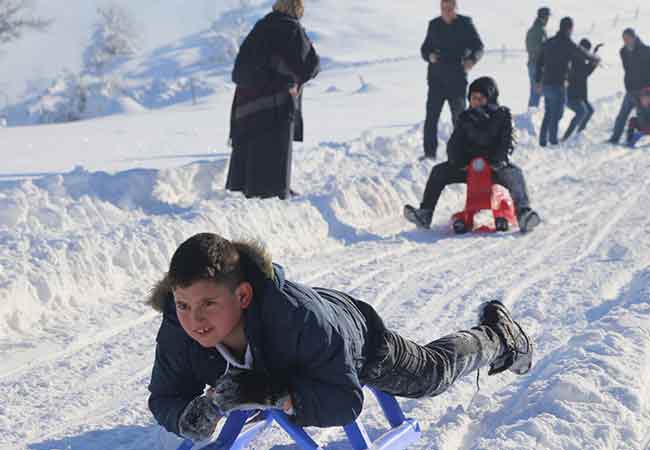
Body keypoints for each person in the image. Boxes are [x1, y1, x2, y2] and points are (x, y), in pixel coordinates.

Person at [147, 233, 533, 441]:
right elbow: (164, 395)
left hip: (355, 337)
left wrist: (274, 395)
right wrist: (185, 417)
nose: (194, 319)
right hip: (301, 346)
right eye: (183, 305)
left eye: (208, 304)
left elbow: (344, 401)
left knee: (431, 375)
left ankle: (499, 336)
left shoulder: (301, 321)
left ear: (243, 295)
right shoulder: (179, 326)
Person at [404, 77, 541, 233]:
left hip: (494, 165)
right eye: (473, 98)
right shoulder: (465, 118)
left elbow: (508, 141)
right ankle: (425, 213)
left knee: (515, 174)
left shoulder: (503, 115)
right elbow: (454, 143)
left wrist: (499, 160)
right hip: (469, 166)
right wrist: (457, 160)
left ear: (490, 98)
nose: (476, 102)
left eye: (481, 98)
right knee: (438, 172)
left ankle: (523, 213)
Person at [225, 0, 320, 200]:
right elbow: (309, 65)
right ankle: (275, 190)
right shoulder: (291, 30)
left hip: (246, 101)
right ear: (297, 8)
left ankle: (246, 187)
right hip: (275, 101)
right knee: (274, 146)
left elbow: (240, 68)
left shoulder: (261, 27)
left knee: (253, 144)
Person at [420, 0, 484, 160]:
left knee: (459, 119)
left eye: (450, 8)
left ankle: (461, 153)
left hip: (457, 80)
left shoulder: (465, 23)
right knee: (431, 118)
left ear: (456, 8)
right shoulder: (434, 25)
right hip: (436, 80)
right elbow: (424, 48)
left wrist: (472, 60)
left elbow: (479, 46)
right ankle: (429, 153)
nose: (446, 12)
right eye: (443, 9)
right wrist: (429, 56)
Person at [535, 17, 600, 147]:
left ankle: (543, 141)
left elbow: (539, 62)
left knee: (549, 112)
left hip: (546, 83)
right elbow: (583, 53)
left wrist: (537, 81)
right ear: (570, 28)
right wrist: (595, 58)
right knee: (557, 114)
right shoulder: (568, 43)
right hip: (558, 84)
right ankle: (553, 142)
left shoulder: (548, 42)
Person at [608, 28, 650, 144]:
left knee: (643, 119)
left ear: (634, 37)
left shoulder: (646, 51)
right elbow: (628, 70)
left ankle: (631, 139)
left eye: (627, 39)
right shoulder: (623, 52)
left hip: (644, 91)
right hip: (631, 90)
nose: (625, 41)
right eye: (624, 39)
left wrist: (648, 91)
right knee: (622, 115)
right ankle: (614, 138)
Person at [562, 39, 602, 141]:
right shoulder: (575, 60)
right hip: (572, 96)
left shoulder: (579, 58)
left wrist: (594, 54)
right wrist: (593, 64)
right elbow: (584, 72)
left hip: (580, 96)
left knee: (589, 111)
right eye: (586, 50)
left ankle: (579, 133)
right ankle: (566, 137)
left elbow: (586, 67)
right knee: (582, 112)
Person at [525, 7, 551, 109]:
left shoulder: (532, 29)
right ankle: (531, 116)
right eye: (548, 17)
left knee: (535, 91)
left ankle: (531, 114)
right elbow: (542, 49)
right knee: (537, 92)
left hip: (532, 63)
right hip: (537, 65)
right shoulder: (540, 30)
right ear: (544, 17)